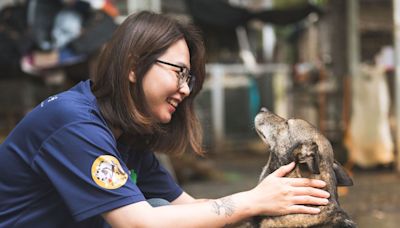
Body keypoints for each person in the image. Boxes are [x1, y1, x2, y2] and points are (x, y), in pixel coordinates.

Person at [0, 11, 330, 227]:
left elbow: (189, 207)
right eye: (180, 73)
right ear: (132, 66)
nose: (185, 89)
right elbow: (140, 222)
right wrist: (251, 200)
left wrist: (267, 203)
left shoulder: (126, 134)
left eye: (191, 79)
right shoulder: (74, 124)